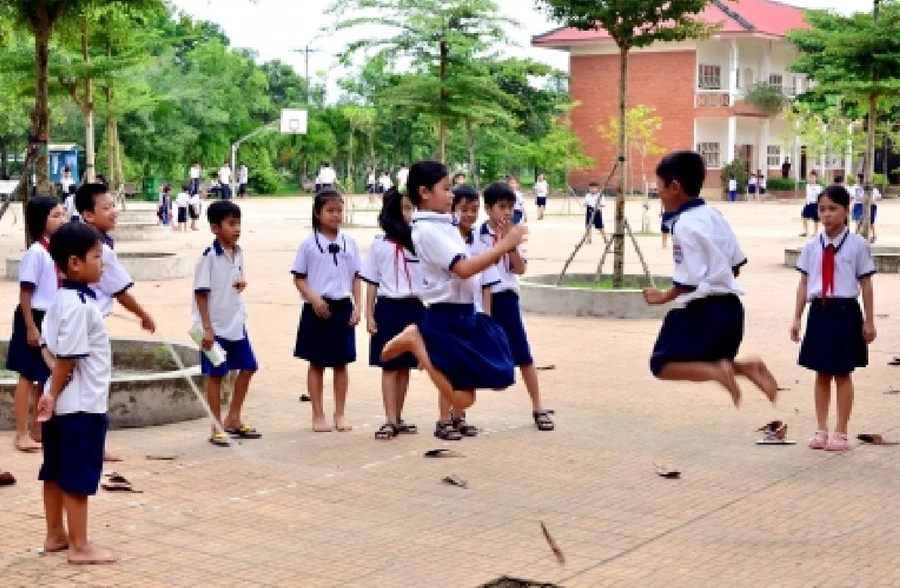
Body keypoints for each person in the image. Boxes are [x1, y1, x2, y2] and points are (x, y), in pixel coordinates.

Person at [380, 161, 525, 414]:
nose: (451, 195)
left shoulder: (444, 224)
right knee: (462, 400)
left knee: (502, 373)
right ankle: (416, 342)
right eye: (446, 189)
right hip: (446, 318)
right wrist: (504, 245)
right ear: (425, 193)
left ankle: (417, 340)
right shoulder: (426, 231)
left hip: (467, 315)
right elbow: (463, 268)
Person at [643, 150, 778, 407]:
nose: (658, 193)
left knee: (661, 364)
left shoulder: (683, 225)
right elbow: (736, 265)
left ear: (674, 187)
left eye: (659, 187)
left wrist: (663, 297)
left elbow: (689, 280)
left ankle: (720, 374)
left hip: (702, 310)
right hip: (731, 309)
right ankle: (748, 368)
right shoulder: (715, 215)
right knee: (709, 360)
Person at [37, 221, 119, 565]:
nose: (102, 263)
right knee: (77, 475)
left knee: (55, 470)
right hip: (80, 406)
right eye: (97, 257)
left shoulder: (59, 301)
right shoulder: (81, 307)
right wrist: (53, 393)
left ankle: (56, 533)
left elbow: (46, 348)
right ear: (74, 263)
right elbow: (68, 359)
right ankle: (80, 545)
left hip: (61, 405)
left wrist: (51, 393)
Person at [791, 185, 876, 452]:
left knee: (842, 373)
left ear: (846, 211)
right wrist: (796, 317)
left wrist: (869, 321)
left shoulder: (858, 245)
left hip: (845, 312)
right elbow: (804, 284)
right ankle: (821, 428)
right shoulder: (811, 247)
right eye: (822, 209)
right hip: (819, 312)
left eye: (833, 209)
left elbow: (866, 285)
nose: (827, 215)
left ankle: (841, 431)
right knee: (821, 373)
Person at [75, 183, 156, 461]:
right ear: (88, 215)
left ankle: (85, 443)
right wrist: (143, 315)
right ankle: (95, 446)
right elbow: (120, 291)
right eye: (106, 208)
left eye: (114, 206)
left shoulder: (88, 243)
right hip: (89, 323)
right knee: (95, 385)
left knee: (81, 384)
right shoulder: (99, 250)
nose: (114, 212)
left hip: (81, 319)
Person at [479, 182, 554, 431]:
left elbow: (519, 269)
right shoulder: (476, 236)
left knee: (523, 354)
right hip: (481, 299)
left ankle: (538, 408)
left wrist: (509, 242)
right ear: (488, 208)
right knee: (473, 352)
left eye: (510, 207)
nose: (507, 212)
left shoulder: (516, 234)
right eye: (502, 207)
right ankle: (457, 413)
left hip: (507, 298)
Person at [291, 190, 361, 433]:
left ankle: (340, 414)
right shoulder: (309, 245)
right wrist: (314, 299)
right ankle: (317, 415)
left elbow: (355, 278)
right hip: (316, 309)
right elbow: (299, 278)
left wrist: (358, 306)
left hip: (342, 308)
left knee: (341, 364)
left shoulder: (349, 243)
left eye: (339, 210)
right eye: (330, 210)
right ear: (317, 213)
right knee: (316, 363)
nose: (335, 215)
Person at [434, 185, 500, 441]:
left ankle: (459, 416)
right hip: (449, 309)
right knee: (447, 367)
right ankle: (443, 420)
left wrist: (486, 315)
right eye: (464, 209)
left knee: (467, 366)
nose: (470, 215)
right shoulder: (446, 239)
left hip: (471, 313)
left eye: (474, 210)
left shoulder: (480, 243)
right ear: (453, 209)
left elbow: (486, 283)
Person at [193, 200, 261, 447]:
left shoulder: (238, 252)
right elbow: (200, 293)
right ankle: (216, 426)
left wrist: (241, 284)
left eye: (238, 223)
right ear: (215, 228)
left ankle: (234, 418)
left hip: (235, 323)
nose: (236, 228)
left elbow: (233, 279)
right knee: (216, 375)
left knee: (249, 367)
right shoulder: (209, 257)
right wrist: (207, 328)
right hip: (213, 327)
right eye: (231, 223)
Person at [361, 189, 425, 440]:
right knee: (389, 364)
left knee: (406, 366)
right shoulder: (379, 246)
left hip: (414, 309)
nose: (408, 214)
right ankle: (388, 419)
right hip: (388, 307)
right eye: (403, 209)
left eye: (411, 208)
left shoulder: (418, 244)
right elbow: (372, 283)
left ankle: (398, 416)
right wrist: (369, 314)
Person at [5, 196, 65, 452]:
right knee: (28, 375)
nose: (61, 220)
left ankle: (38, 428)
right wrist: (31, 326)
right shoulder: (36, 253)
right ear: (41, 221)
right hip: (34, 316)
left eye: (63, 214)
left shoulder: (55, 251)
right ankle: (21, 433)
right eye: (55, 216)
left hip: (50, 317)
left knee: (46, 375)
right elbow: (26, 292)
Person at [853, 174, 881, 243]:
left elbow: (879, 197)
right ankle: (857, 235)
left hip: (871, 205)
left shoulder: (871, 188)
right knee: (858, 220)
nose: (856, 179)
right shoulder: (855, 187)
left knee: (871, 222)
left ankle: (874, 236)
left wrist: (872, 199)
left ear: (861, 179)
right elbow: (853, 196)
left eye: (857, 178)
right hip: (859, 205)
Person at [801, 171, 822, 237]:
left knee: (816, 218)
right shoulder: (807, 186)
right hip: (808, 204)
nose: (811, 179)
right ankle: (806, 231)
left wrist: (819, 206)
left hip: (815, 204)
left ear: (816, 178)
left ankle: (815, 233)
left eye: (812, 177)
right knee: (804, 216)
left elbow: (819, 197)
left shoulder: (818, 187)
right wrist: (805, 202)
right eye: (809, 177)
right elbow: (807, 195)